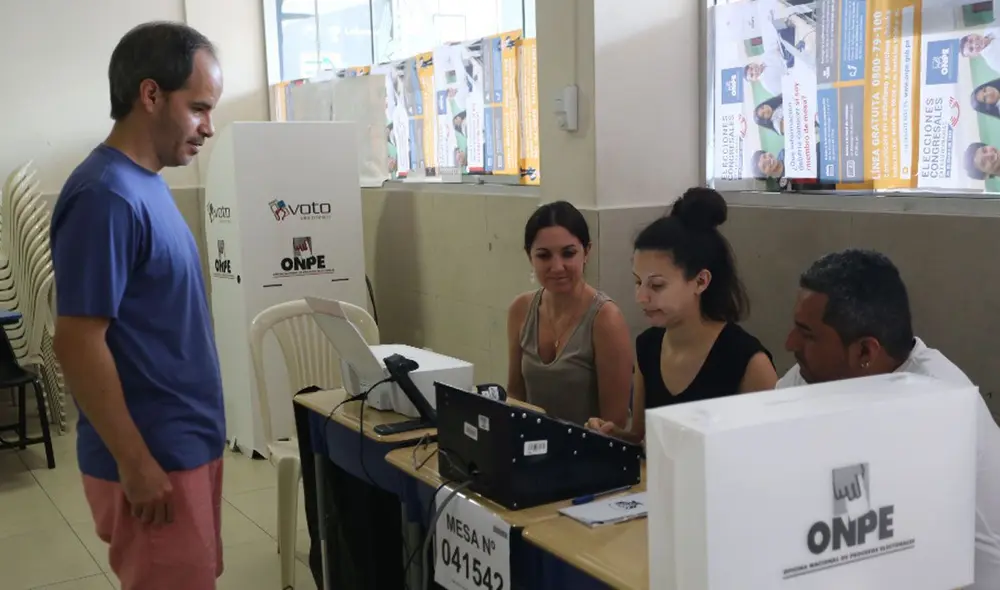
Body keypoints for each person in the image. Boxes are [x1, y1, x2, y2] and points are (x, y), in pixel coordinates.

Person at [50, 22, 225, 590]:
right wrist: (136, 463)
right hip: (154, 464)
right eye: (198, 107)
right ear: (150, 95)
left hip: (183, 448)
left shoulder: (144, 183)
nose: (209, 127)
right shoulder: (105, 195)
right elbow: (77, 341)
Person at [777, 249, 1000, 590]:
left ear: (865, 351)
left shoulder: (935, 409)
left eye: (807, 334)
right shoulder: (812, 374)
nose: (789, 343)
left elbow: (893, 553)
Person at [587, 188, 776, 443]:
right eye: (637, 282)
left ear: (700, 281)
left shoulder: (747, 361)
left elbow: (770, 452)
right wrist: (610, 435)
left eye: (656, 286)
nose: (641, 297)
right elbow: (641, 438)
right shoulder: (648, 346)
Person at [506, 201, 633, 427]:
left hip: (588, 455)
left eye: (568, 253)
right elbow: (515, 396)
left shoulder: (605, 319)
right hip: (533, 451)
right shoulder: (521, 309)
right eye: (544, 256)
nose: (557, 267)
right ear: (530, 257)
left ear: (587, 252)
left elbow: (615, 424)